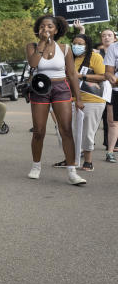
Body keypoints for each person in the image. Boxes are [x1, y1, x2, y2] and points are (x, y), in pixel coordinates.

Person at [23, 15, 85, 185]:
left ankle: (72, 171)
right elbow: (34, 64)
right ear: (38, 30)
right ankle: (36, 166)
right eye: (42, 26)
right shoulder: (32, 46)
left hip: (61, 89)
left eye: (49, 26)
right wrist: (42, 43)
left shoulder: (64, 48)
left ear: (56, 30)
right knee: (39, 130)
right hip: (40, 89)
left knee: (66, 129)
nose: (46, 29)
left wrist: (78, 98)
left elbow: (72, 74)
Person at [58, 33, 105, 171]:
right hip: (69, 99)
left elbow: (103, 76)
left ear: (87, 45)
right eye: (74, 43)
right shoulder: (69, 58)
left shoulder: (95, 57)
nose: (76, 46)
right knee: (64, 130)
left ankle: (88, 162)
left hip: (92, 100)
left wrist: (82, 76)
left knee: (87, 132)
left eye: (80, 44)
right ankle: (70, 159)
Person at [98, 29, 118, 162]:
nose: (107, 37)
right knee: (113, 123)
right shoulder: (113, 48)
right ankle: (110, 151)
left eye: (109, 35)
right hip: (115, 90)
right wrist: (112, 79)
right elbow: (108, 71)